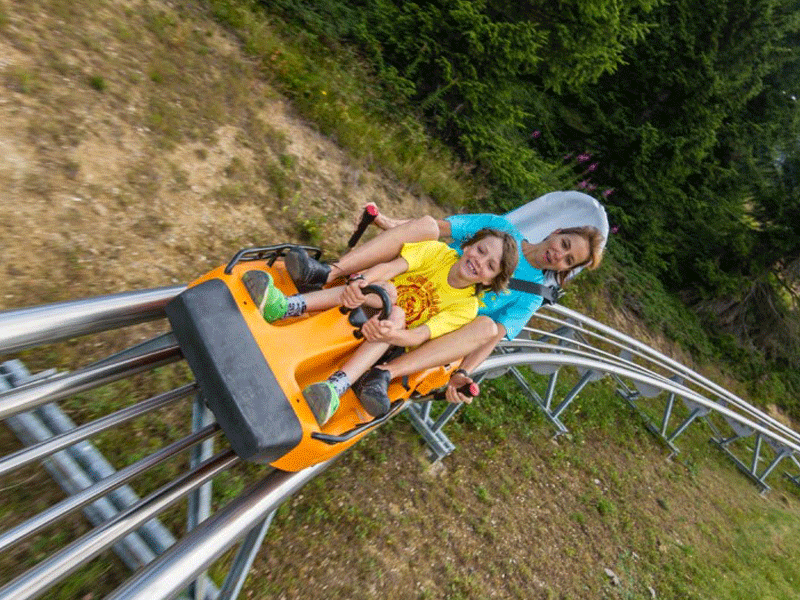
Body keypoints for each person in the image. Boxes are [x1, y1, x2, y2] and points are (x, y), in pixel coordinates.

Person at [285, 203, 605, 405]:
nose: (559, 255)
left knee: (488, 324)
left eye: (568, 260)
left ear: (566, 270)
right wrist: (390, 223)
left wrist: (463, 373)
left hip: (442, 323)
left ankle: (384, 374)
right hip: (418, 283)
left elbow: (490, 337)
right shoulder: (500, 229)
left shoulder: (532, 294)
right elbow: (437, 229)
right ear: (557, 231)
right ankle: (330, 273)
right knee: (425, 224)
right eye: (564, 245)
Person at [242, 228, 518, 426]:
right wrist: (360, 284)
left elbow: (422, 334)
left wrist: (393, 333)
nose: (479, 261)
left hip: (391, 336)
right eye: (480, 250)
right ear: (469, 245)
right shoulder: (437, 253)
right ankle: (287, 306)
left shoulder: (466, 307)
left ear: (491, 280)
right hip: (374, 299)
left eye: (490, 265)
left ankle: (336, 386)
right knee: (385, 289)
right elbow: (391, 267)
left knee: (397, 313)